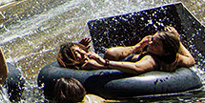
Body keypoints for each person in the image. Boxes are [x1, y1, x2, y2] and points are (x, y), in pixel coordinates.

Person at [57, 26, 195, 74]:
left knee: (100, 59)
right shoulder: (174, 57)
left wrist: (104, 63)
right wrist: (177, 40)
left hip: (121, 66)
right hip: (126, 58)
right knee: (110, 53)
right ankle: (136, 47)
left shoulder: (151, 59)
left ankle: (135, 48)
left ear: (166, 51)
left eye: (155, 44)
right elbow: (191, 60)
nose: (151, 43)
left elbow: (136, 68)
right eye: (152, 39)